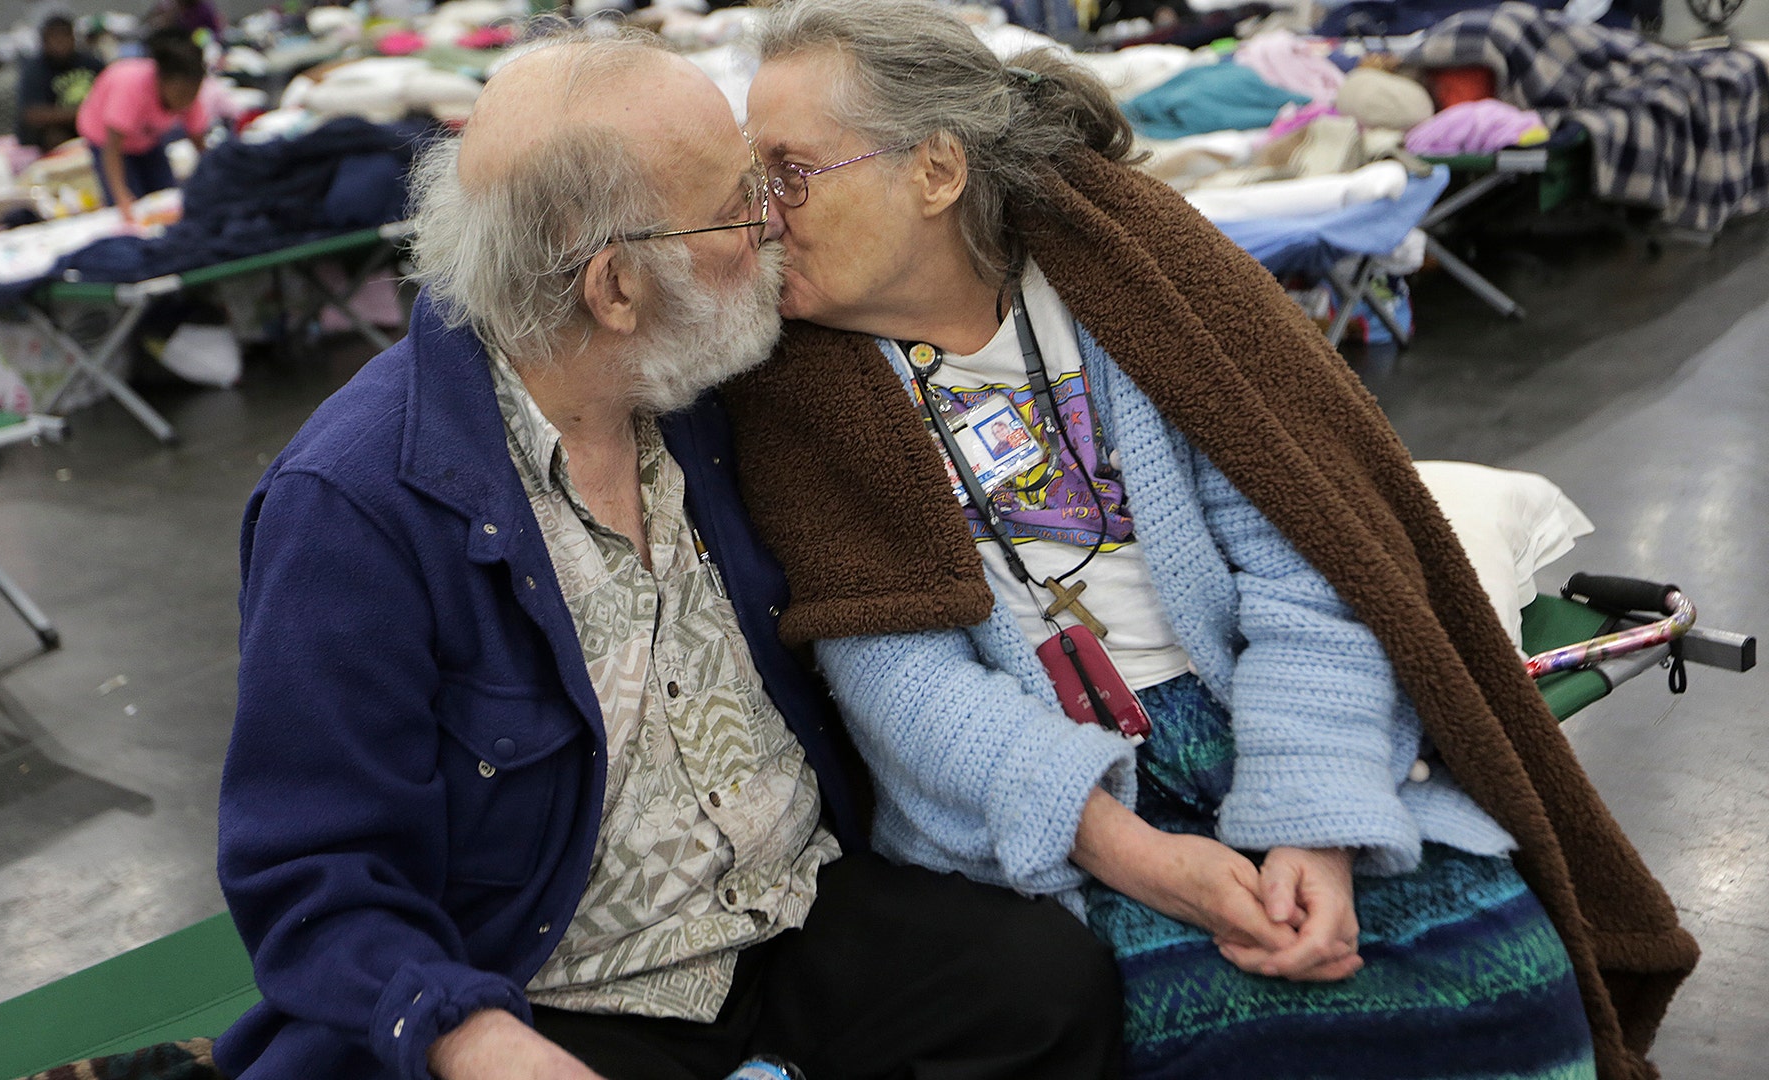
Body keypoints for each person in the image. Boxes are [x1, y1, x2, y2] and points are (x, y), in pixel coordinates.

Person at [722, 1, 1700, 1079]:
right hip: (1056, 789)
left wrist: (1314, 825)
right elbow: (897, 678)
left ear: (936, 171)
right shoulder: (789, 382)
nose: (763, 216)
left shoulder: (1132, 278)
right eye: (751, 178)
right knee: (1213, 1031)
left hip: (1258, 717)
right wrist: (1132, 853)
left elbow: (1314, 565)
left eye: (793, 172)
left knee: (1510, 985)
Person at [215, 30, 1122, 1080]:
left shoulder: (696, 387)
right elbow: (311, 871)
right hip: (564, 983)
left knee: (1044, 990)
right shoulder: (355, 507)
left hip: (787, 912)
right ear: (615, 288)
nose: (773, 225)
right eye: (741, 203)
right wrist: (472, 1035)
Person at [74, 29, 208, 218]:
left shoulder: (189, 94)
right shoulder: (132, 86)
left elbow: (199, 143)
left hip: (148, 139)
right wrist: (120, 194)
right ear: (162, 81)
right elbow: (112, 149)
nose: (186, 100)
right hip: (106, 140)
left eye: (192, 94)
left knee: (167, 196)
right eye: (181, 93)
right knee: (131, 205)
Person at [16, 15, 103, 150]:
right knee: (54, 136)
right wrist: (81, 112)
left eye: (65, 36)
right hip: (58, 131)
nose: (60, 43)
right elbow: (33, 114)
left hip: (91, 124)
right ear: (44, 41)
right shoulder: (35, 70)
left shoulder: (90, 62)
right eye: (55, 38)